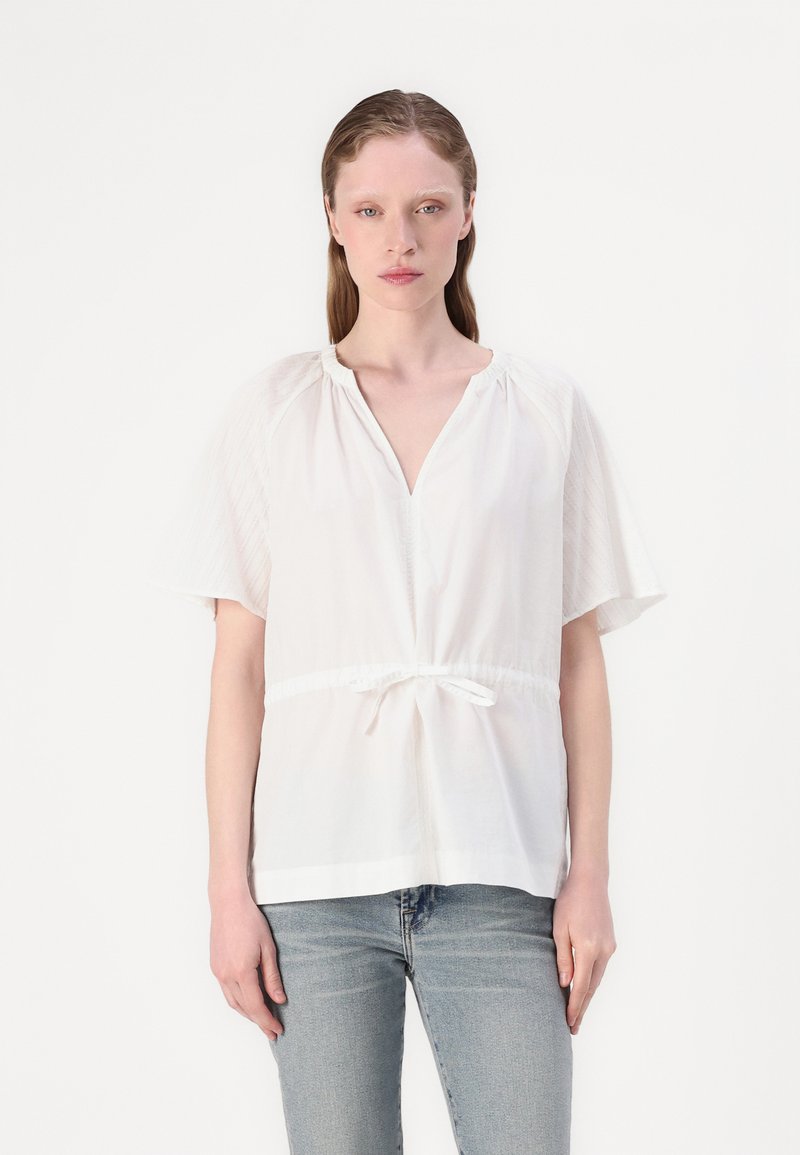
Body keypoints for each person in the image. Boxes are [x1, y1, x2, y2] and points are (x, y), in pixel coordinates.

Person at [150, 89, 667, 1155]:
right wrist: (226, 894)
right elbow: (237, 670)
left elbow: (576, 661)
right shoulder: (275, 412)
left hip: (501, 876)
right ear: (332, 220)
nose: (401, 238)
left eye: (428, 206)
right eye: (372, 210)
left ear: (468, 212)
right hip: (316, 885)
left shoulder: (542, 410)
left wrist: (591, 874)